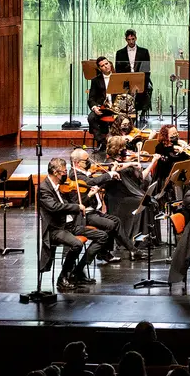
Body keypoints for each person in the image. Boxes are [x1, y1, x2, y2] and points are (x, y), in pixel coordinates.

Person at [37, 157, 108, 290]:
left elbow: (76, 204)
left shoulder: (61, 187)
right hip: (55, 229)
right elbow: (54, 207)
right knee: (77, 244)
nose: (66, 174)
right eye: (64, 172)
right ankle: (63, 277)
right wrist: (76, 207)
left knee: (102, 236)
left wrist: (88, 197)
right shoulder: (44, 188)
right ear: (55, 172)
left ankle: (77, 272)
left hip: (70, 226)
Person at [68, 146, 136, 262]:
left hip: (94, 211)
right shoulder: (75, 175)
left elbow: (98, 185)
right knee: (110, 224)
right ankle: (101, 252)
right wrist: (109, 174)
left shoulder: (84, 173)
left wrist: (112, 172)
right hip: (85, 215)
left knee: (116, 220)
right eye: (86, 161)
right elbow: (91, 182)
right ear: (77, 163)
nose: (89, 162)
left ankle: (130, 250)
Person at [114, 29, 152, 119]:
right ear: (126, 40)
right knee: (121, 90)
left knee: (147, 89)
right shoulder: (120, 53)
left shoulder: (144, 52)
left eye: (133, 39)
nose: (131, 41)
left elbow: (146, 69)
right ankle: (125, 112)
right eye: (129, 39)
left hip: (140, 79)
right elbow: (118, 70)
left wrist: (142, 81)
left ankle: (143, 111)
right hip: (125, 80)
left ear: (136, 38)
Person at [88, 57, 121, 149]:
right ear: (99, 69)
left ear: (110, 64)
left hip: (117, 108)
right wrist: (95, 108)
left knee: (127, 117)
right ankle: (102, 142)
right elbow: (91, 98)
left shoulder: (119, 77)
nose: (106, 67)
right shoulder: (95, 80)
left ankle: (122, 142)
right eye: (102, 66)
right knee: (91, 118)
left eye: (106, 64)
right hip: (103, 108)